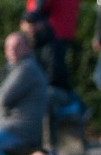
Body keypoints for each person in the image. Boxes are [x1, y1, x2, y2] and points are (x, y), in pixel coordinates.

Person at [20, 11, 88, 147]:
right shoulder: (23, 46)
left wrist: (33, 87)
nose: (30, 28)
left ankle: (49, 146)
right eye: (28, 24)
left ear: (41, 24)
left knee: (44, 98)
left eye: (34, 24)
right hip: (35, 91)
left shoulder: (52, 45)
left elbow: (54, 75)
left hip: (58, 91)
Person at [24, 0, 82, 67]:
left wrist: (29, 21)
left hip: (49, 33)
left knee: (43, 67)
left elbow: (39, 9)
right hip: (65, 31)